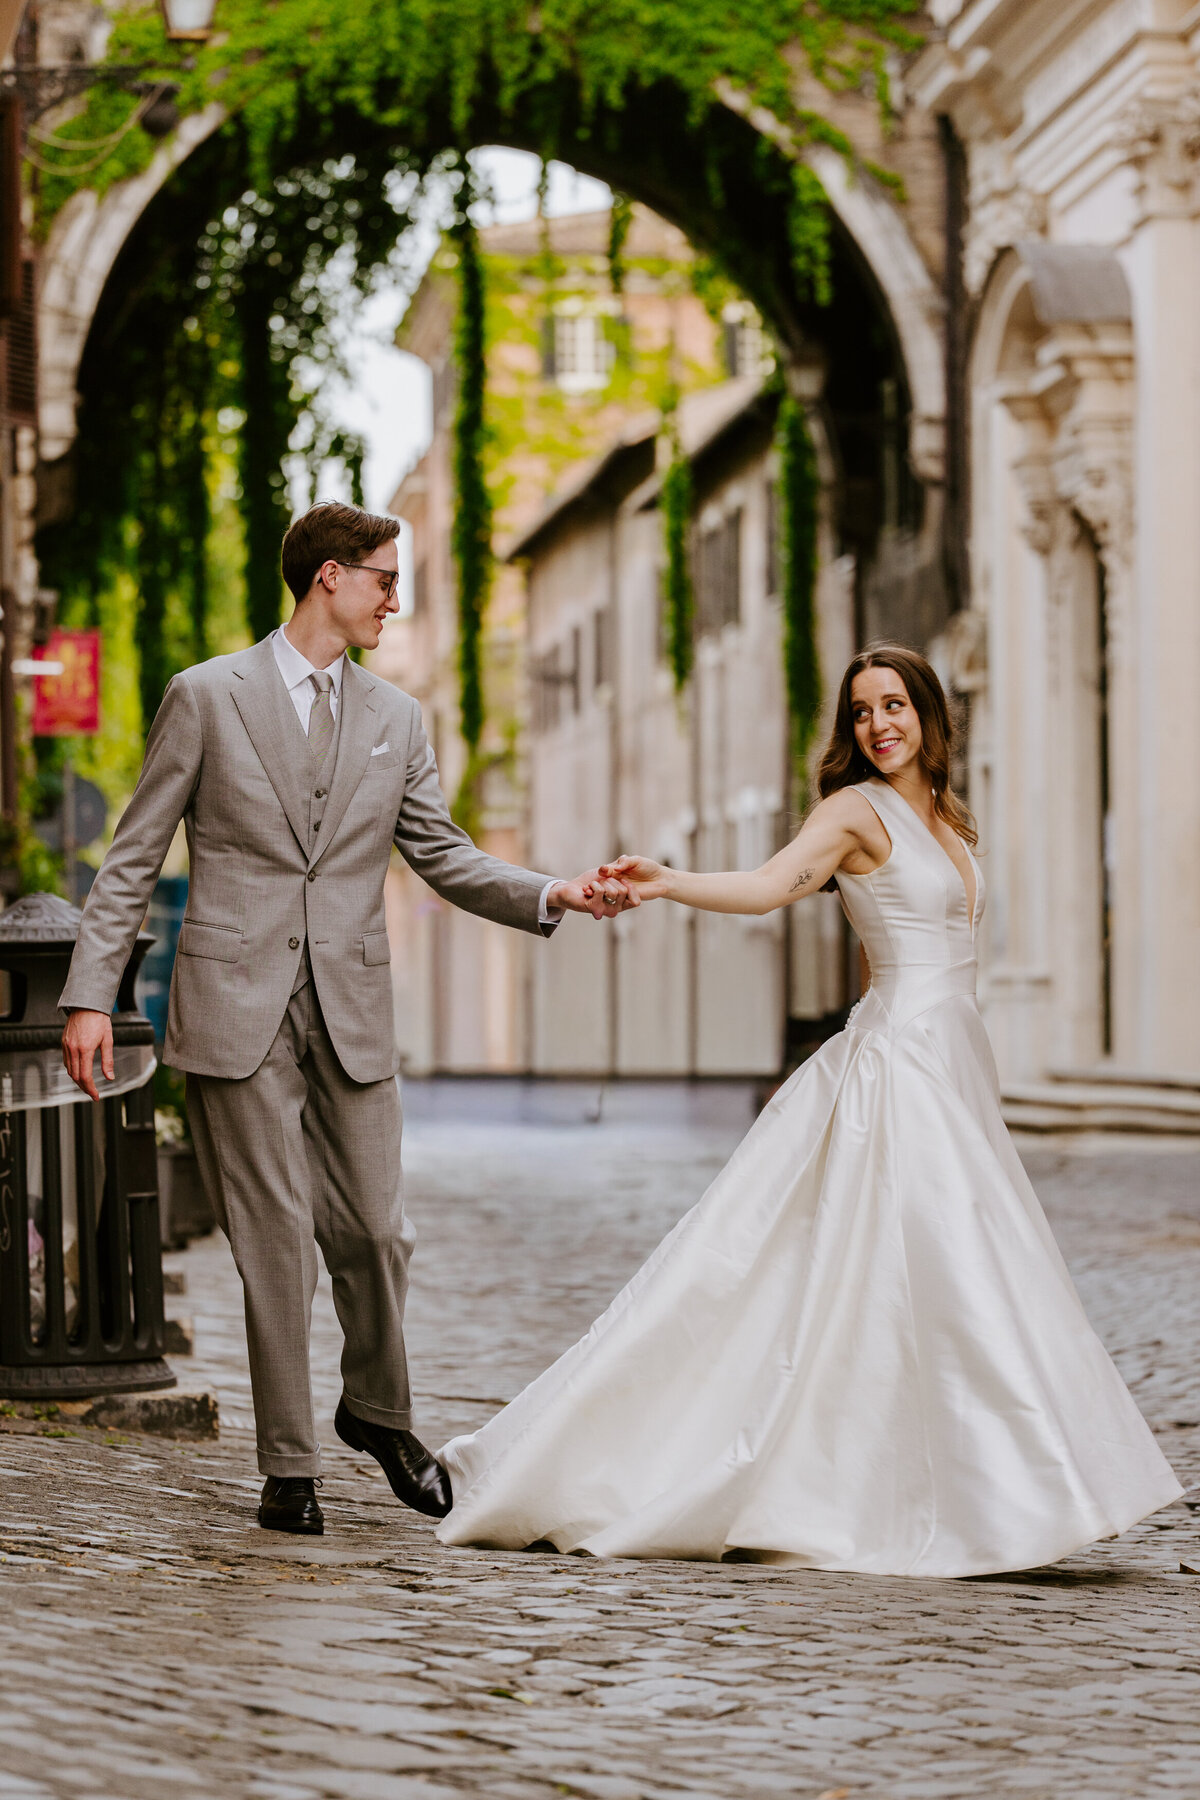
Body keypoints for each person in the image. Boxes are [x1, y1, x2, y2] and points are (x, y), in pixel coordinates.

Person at [436, 643, 1182, 1577]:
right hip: (898, 1070)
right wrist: (666, 882)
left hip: (952, 1062)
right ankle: (979, 1499)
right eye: (863, 711)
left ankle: (993, 1489)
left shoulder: (946, 818)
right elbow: (764, 889)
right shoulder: (852, 813)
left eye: (897, 705)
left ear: (929, 716)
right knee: (932, 1269)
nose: (880, 724)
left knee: (961, 1271)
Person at [59, 501, 632, 1538]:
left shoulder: (395, 721)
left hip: (352, 1008)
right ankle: (290, 1467)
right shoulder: (207, 698)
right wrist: (91, 994)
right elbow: (135, 856)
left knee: (374, 1231)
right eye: (384, 578)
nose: (394, 598)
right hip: (235, 1007)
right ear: (329, 576)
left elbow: (444, 855)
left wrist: (556, 894)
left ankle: (375, 1411)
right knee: (275, 1239)